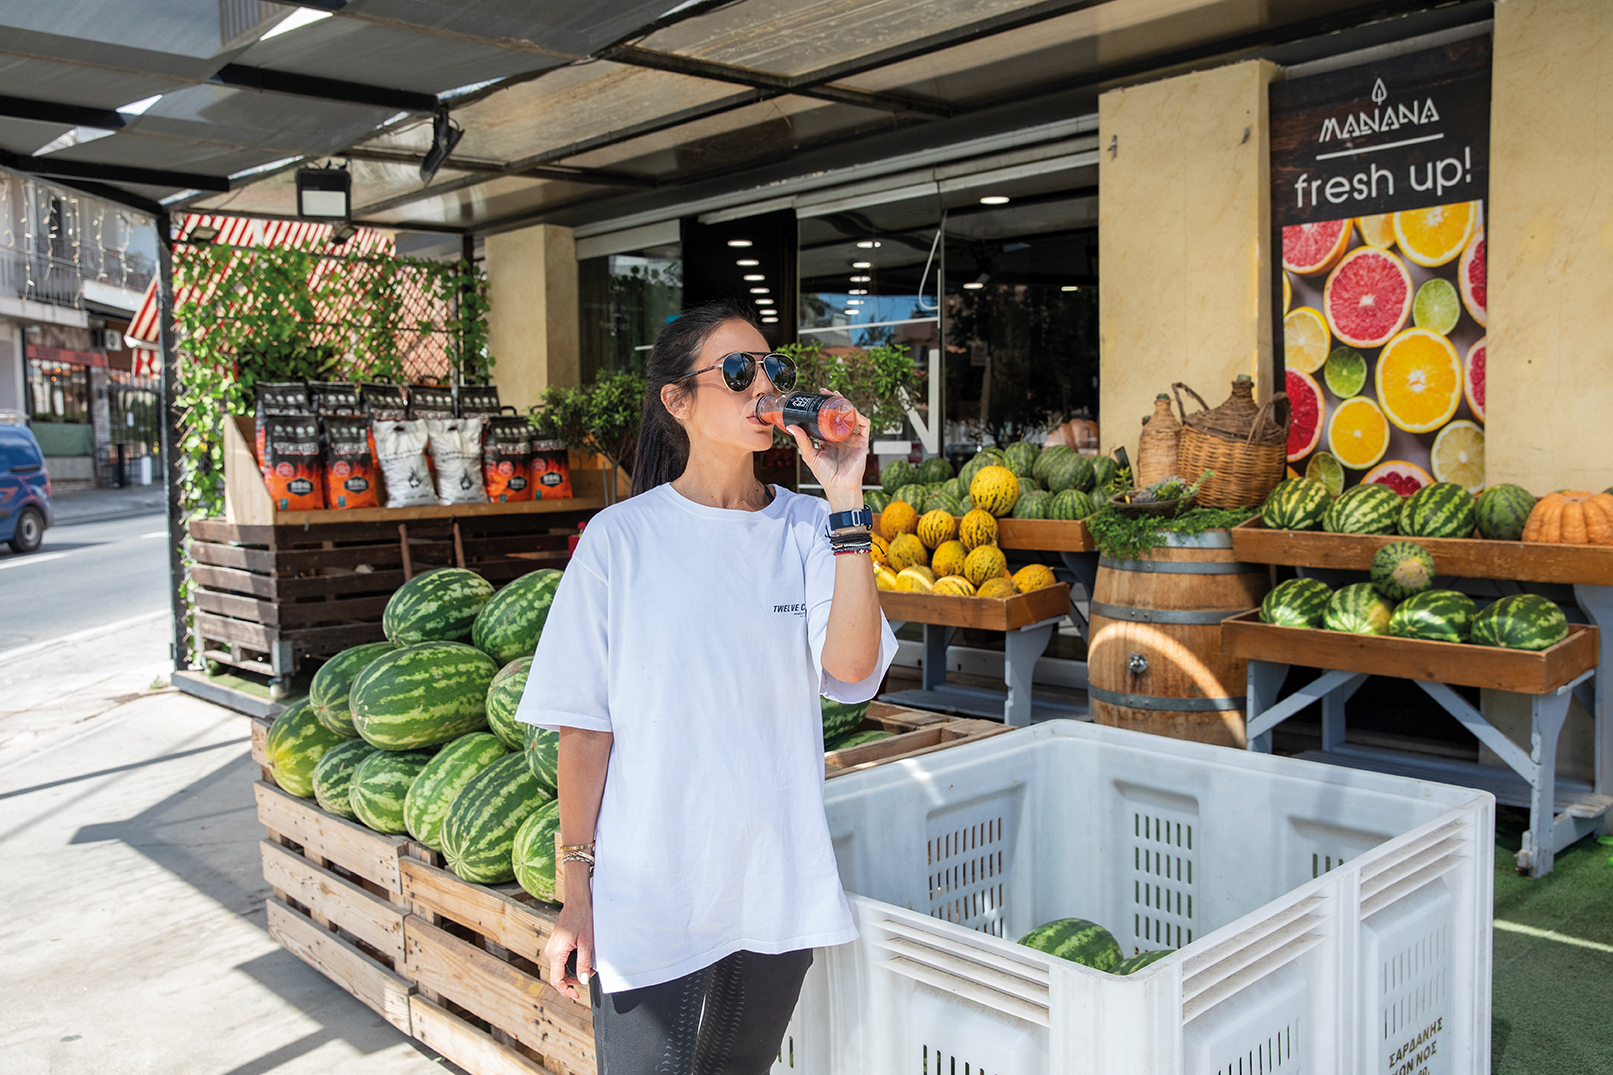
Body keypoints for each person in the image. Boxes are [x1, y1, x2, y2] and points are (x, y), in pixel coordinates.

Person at [514, 300, 898, 1074]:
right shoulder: (621, 541)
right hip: (651, 896)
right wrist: (575, 891)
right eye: (736, 370)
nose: (762, 386)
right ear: (677, 400)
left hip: (772, 887)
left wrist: (846, 498)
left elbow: (852, 671)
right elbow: (586, 728)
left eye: (773, 369)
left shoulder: (807, 529)